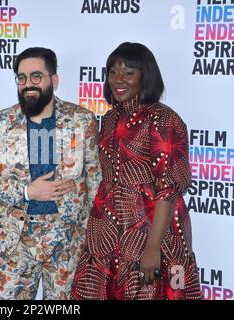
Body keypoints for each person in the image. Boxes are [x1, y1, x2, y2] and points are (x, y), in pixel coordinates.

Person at [70, 42, 202, 300]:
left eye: (128, 73)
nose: (118, 80)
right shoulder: (109, 119)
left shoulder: (164, 119)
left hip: (153, 230)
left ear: (146, 75)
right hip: (107, 231)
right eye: (112, 72)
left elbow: (168, 188)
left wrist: (153, 247)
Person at [0, 47, 101, 299]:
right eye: (21, 78)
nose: (28, 84)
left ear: (54, 80)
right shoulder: (1, 122)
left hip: (67, 243)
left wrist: (92, 240)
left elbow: (95, 182)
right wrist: (27, 192)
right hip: (15, 244)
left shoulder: (82, 120)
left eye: (36, 76)